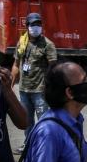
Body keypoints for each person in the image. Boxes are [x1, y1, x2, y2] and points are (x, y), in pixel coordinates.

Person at [12, 13, 57, 152]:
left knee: (43, 121)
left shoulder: (48, 45)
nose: (36, 27)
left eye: (38, 24)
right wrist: (11, 83)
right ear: (27, 26)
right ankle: (28, 145)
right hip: (24, 89)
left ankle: (44, 148)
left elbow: (53, 67)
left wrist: (48, 87)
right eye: (32, 24)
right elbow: (16, 64)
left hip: (40, 90)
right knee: (27, 121)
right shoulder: (22, 42)